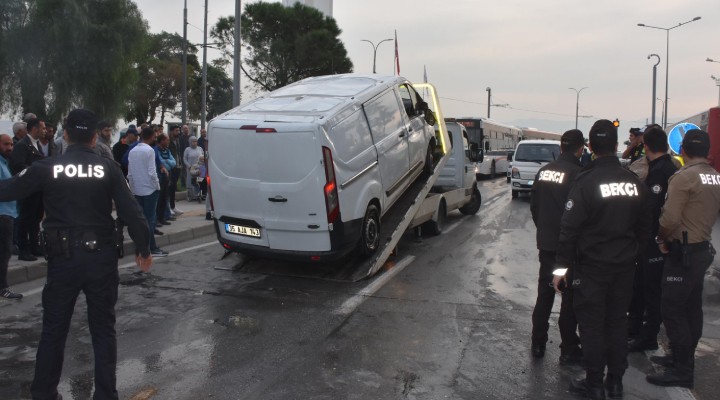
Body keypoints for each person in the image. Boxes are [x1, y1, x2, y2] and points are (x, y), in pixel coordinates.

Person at [0, 108, 153, 399]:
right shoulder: (108, 169)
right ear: (95, 138)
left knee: (54, 330)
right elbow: (132, 214)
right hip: (101, 261)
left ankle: (44, 393)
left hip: (63, 262)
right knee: (103, 330)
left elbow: (8, 189)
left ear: (65, 135)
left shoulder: (47, 167)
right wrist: (143, 248)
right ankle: (106, 394)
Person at [554, 119, 650, 400]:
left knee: (593, 325)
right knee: (618, 323)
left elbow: (568, 230)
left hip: (592, 269)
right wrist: (633, 257)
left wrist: (560, 270)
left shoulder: (586, 181)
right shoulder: (633, 183)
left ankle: (594, 382)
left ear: (592, 147)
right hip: (624, 269)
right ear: (615, 144)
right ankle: (616, 382)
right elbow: (645, 228)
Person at [646, 129, 720, 389]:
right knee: (691, 308)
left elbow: (669, 220)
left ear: (683, 150)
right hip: (701, 250)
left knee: (673, 309)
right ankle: (681, 357)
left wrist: (662, 240)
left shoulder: (683, 178)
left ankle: (682, 368)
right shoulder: (715, 177)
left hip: (682, 252)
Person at [529, 129, 584, 364]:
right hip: (569, 249)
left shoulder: (544, 172)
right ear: (581, 149)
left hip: (547, 244)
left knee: (545, 295)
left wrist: (544, 229)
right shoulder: (579, 175)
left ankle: (538, 343)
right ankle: (569, 347)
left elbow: (534, 207)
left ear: (561, 147)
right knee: (569, 298)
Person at [626, 126, 677, 353]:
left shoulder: (659, 171)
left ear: (646, 146)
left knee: (651, 290)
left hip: (653, 240)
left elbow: (654, 209)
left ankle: (647, 337)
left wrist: (654, 238)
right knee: (641, 285)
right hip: (652, 240)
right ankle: (635, 328)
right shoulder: (668, 166)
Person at [128, 127, 168, 257]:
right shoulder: (150, 150)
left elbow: (130, 173)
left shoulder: (133, 150)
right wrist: (157, 186)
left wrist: (133, 188)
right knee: (150, 219)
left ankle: (141, 247)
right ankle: (152, 247)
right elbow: (152, 172)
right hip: (150, 189)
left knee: (141, 220)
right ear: (151, 137)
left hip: (137, 190)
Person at [10, 117, 46, 261]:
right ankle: (23, 249)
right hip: (27, 188)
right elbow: (17, 165)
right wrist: (34, 171)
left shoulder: (36, 144)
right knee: (26, 218)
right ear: (35, 128)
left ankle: (34, 246)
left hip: (37, 187)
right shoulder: (22, 145)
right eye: (42, 128)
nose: (44, 131)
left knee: (36, 218)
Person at [0, 134, 22, 300]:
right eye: (6, 144)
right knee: (4, 252)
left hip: (8, 213)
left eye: (11, 144)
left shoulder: (4, 163)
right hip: (2, 214)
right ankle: (3, 288)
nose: (10, 147)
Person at [155, 133, 176, 225]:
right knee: (159, 198)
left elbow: (174, 162)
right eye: (167, 139)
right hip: (160, 175)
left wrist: (167, 162)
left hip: (167, 175)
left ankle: (162, 217)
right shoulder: (156, 150)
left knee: (164, 197)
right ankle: (157, 219)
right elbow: (160, 162)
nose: (168, 141)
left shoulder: (167, 150)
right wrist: (167, 163)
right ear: (162, 140)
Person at [167, 125, 183, 216]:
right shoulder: (167, 140)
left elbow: (179, 153)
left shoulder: (177, 140)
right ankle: (168, 207)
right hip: (171, 167)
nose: (178, 132)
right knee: (169, 188)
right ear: (172, 131)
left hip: (177, 166)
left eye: (178, 130)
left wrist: (180, 164)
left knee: (173, 188)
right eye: (176, 131)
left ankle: (173, 206)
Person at [183, 136, 203, 200]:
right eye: (193, 141)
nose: (195, 143)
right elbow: (184, 159)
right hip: (190, 168)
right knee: (190, 181)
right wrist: (188, 166)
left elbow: (203, 157)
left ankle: (198, 195)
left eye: (196, 141)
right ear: (190, 142)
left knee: (198, 181)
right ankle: (190, 196)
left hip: (199, 168)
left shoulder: (200, 149)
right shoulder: (187, 149)